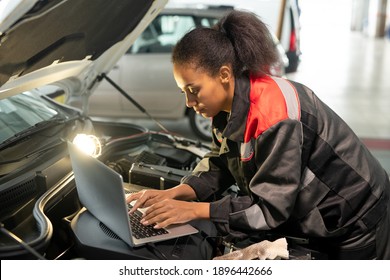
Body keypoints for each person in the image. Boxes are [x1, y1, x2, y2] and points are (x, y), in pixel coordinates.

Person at [127, 10, 390, 259]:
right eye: (182, 91)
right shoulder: (228, 105)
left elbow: (270, 209)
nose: (188, 101)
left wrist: (195, 211)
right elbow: (222, 162)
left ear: (224, 74)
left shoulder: (275, 117)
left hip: (355, 216)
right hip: (318, 214)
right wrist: (180, 192)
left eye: (193, 90)